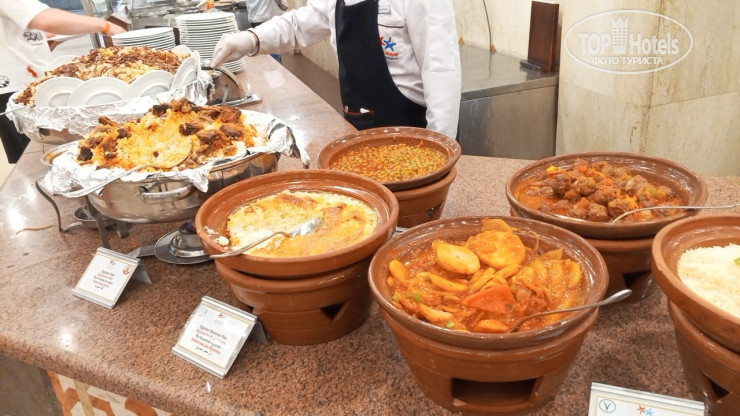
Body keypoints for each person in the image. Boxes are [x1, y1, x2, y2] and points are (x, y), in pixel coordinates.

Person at [212, 0, 461, 138]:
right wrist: (252, 38)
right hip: (357, 128)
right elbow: (299, 25)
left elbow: (441, 72)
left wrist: (441, 146)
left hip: (413, 133)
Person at [0, 1, 126, 164]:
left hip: (28, 85)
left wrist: (40, 41)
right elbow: (45, 19)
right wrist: (105, 26)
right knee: (34, 160)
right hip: (15, 93)